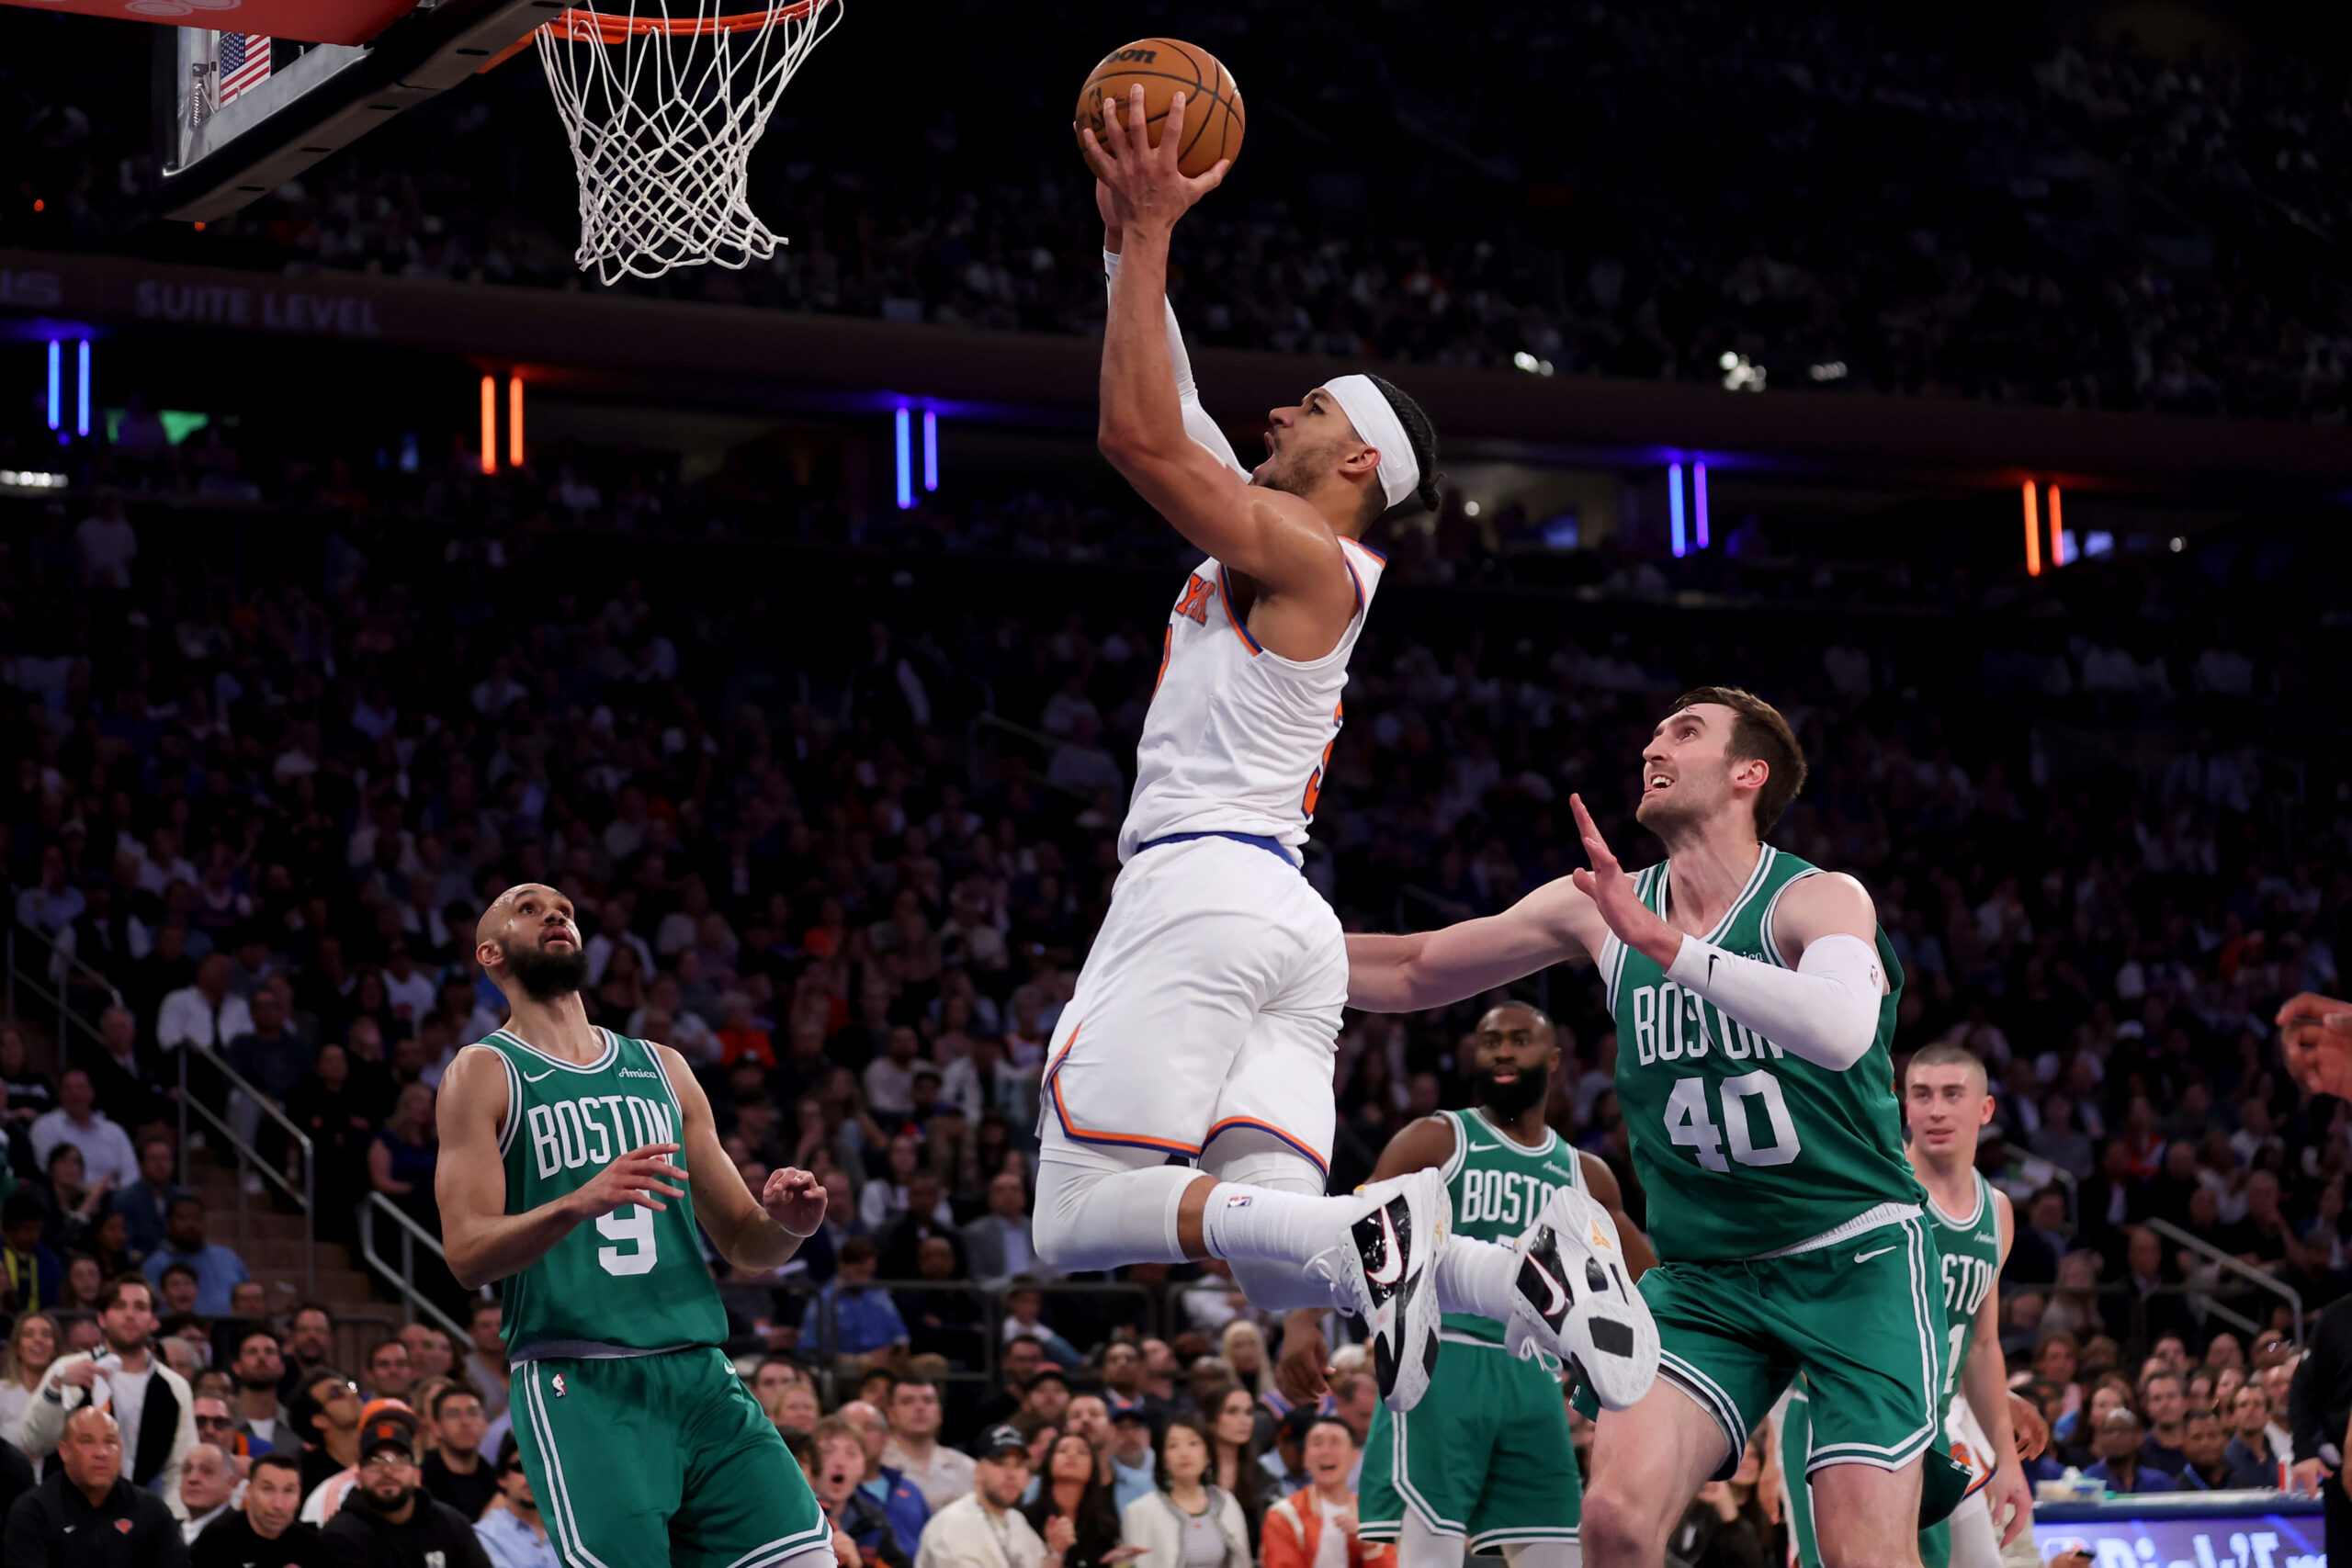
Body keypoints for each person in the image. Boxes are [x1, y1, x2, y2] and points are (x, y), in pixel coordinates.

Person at [1038, 85, 1489, 1419]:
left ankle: (1367, 1232)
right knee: (1282, 1262)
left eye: (1311, 408)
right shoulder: (1287, 542)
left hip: (1202, 890)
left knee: (1071, 1214)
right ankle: (1499, 1269)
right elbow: (1171, 399)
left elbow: (1134, 435)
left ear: (1356, 462)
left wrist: (1155, 232)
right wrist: (1125, 240)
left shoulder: (1300, 548)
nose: (1278, 411)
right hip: (1291, 926)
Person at [1347, 689, 1957, 1568]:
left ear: (1749, 773)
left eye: (1686, 731)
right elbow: (1413, 967)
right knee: (1615, 1521)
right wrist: (1264, 955)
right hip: (1709, 1276)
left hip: (1855, 1257)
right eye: (1655, 731)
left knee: (1862, 1552)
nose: (1652, 746)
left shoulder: (1816, 898)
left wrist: (1668, 946)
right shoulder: (1601, 903)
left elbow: (1840, 1028)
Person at [436, 884, 837, 1568]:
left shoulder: (663, 1066)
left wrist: (788, 1225)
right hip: (581, 1378)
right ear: (491, 954)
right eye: (528, 908)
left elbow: (745, 1242)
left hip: (698, 1371)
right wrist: (576, 1202)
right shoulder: (484, 1071)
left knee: (807, 1559)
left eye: (564, 908)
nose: (555, 913)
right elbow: (467, 1254)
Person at [1335, 1001, 1654, 1568]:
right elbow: (1351, 1228)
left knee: (1557, 1553)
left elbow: (1647, 1279)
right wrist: (1302, 1320)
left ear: (1554, 1059)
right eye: (1489, 1041)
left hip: (1533, 1374)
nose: (1503, 1051)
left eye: (1519, 1040)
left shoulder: (1585, 1174)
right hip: (1441, 1358)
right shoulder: (1437, 1139)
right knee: (1430, 1553)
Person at [1781, 1045, 2032, 1568]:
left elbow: (1981, 1346)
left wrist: (2007, 1458)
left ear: (1985, 1109)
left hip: (1933, 1425)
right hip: (1849, 1419)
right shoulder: (1875, 1190)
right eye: (1922, 1095)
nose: (1937, 1110)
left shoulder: (1997, 1212)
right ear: (1903, 1105)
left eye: (1952, 1095)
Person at [18, 1273, 197, 1503]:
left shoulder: (175, 1386)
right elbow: (34, 1443)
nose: (130, 1314)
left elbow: (180, 1465)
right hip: (66, 1509)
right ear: (102, 1319)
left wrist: (174, 1517)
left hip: (140, 1512)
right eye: (120, 1306)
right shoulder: (67, 1370)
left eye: (140, 1307)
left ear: (154, 1320)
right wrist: (56, 1387)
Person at [3, 1406, 188, 1566]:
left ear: (120, 1450)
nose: (101, 1453)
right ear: (64, 1452)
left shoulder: (151, 1510)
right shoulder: (34, 1511)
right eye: (87, 1441)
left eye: (109, 1442)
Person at [316, 1402, 493, 1566]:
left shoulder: (451, 1525)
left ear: (417, 1475)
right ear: (358, 1477)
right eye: (374, 1462)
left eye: (399, 1461)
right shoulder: (340, 1536)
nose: (387, 1470)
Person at [913, 1425, 1066, 1568]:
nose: (1011, 1474)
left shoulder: (1016, 1521)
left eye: (1019, 1465)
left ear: (1028, 1478)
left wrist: (1055, 1553)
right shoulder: (952, 1525)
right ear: (978, 1471)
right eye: (1000, 1463)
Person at [1258, 1417, 1374, 1568]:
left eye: (1335, 1442)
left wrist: (1371, 1546)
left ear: (1355, 1456)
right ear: (1305, 1458)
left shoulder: (1373, 1516)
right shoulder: (1285, 1514)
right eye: (1317, 1443)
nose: (1326, 1452)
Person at [813, 1416, 916, 1568]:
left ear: (863, 1467)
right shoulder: (794, 1518)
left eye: (851, 1453)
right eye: (827, 1452)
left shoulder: (874, 1522)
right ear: (809, 1463)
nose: (839, 1463)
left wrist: (858, 1565)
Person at [190, 1450, 319, 1567]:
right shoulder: (218, 1540)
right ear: (248, 1492)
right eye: (268, 1489)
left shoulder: (308, 1544)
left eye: (288, 1491)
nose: (278, 1504)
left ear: (299, 1496)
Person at [1023, 1431, 1126, 1568]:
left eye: (1082, 1452)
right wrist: (1055, 1553)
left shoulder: (1106, 1528)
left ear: (1093, 1468)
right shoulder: (1025, 1520)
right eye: (1062, 1450)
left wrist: (1121, 1563)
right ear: (1049, 1462)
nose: (1071, 1455)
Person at [27, 1068, 141, 1192]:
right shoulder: (45, 1127)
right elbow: (46, 1171)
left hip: (112, 1197)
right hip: (64, 1196)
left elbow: (131, 1175)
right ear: (60, 1094)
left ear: (92, 1093)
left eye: (80, 1087)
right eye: (68, 1088)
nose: (74, 1093)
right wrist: (91, 1191)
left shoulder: (114, 1131)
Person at [801, 1237, 910, 1363]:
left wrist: (899, 1348)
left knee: (927, 1363)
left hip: (885, 1362)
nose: (865, 1280)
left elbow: (901, 1335)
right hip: (843, 1364)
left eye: (869, 1274)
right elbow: (811, 1349)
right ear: (842, 1266)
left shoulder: (879, 1296)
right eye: (860, 1272)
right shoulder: (824, 1300)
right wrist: (862, 1360)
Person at [141, 1199, 253, 1318]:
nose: (190, 1224)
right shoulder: (154, 1265)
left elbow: (250, 1293)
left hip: (232, 1326)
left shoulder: (228, 1257)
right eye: (182, 1218)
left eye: (196, 1218)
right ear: (168, 1224)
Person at [883, 1374, 977, 1511]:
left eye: (928, 1401)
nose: (920, 1407)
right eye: (907, 1401)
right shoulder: (878, 1464)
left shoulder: (967, 1468)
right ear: (891, 1414)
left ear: (939, 1413)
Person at [475, 1437, 558, 1568]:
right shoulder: (485, 1534)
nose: (531, 1476)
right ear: (502, 1478)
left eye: (539, 1467)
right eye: (520, 1467)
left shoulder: (571, 1528)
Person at [421, 1383, 495, 1522]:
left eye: (473, 1413)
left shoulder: (497, 1481)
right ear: (436, 1428)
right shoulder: (420, 1483)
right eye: (453, 1414)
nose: (465, 1422)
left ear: (485, 1425)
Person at [288, 1370, 366, 1497]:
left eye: (350, 1387)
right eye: (337, 1393)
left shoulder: (383, 1452)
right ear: (320, 1420)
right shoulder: (305, 1479)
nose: (351, 1393)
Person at [115, 1137, 192, 1262]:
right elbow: (126, 1245)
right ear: (141, 1164)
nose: (160, 1165)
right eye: (154, 1159)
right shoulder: (125, 1200)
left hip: (182, 1263)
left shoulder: (185, 1199)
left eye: (165, 1159)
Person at [2080, 1408, 2176, 1495]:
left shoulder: (2160, 1483)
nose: (2116, 1435)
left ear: (2139, 1437)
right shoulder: (2087, 1482)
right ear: (2100, 1438)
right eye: (2110, 1430)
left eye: (2123, 1429)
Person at [227, 1328, 293, 1451]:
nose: (261, 1357)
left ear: (282, 1367)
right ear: (237, 1367)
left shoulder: (297, 1424)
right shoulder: (223, 1423)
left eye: (270, 1352)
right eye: (252, 1352)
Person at [0, 1310, 60, 1438]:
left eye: (46, 1335)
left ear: (55, 1348)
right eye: (28, 1334)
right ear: (17, 1348)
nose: (38, 1340)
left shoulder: (67, 1396)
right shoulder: (2, 1391)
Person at [0, 1196, 62, 1314]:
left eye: (38, 1229)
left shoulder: (49, 1259)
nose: (34, 1236)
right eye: (28, 1230)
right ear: (9, 1229)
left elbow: (54, 1302)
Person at [2223, 1383, 2285, 1488]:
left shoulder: (2278, 1454)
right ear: (2233, 1416)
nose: (2250, 1409)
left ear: (2268, 1414)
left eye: (2257, 1404)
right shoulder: (2225, 1463)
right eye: (2243, 1405)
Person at [176, 1442, 237, 1542]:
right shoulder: (164, 1532)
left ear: (230, 1483)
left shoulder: (241, 1535)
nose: (192, 1478)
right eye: (187, 1470)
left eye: (207, 1471)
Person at [1106, 1409, 1158, 1515]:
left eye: (1136, 1426)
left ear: (1148, 1433)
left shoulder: (1168, 1472)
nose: (1129, 1434)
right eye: (1120, 1428)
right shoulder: (1103, 1480)